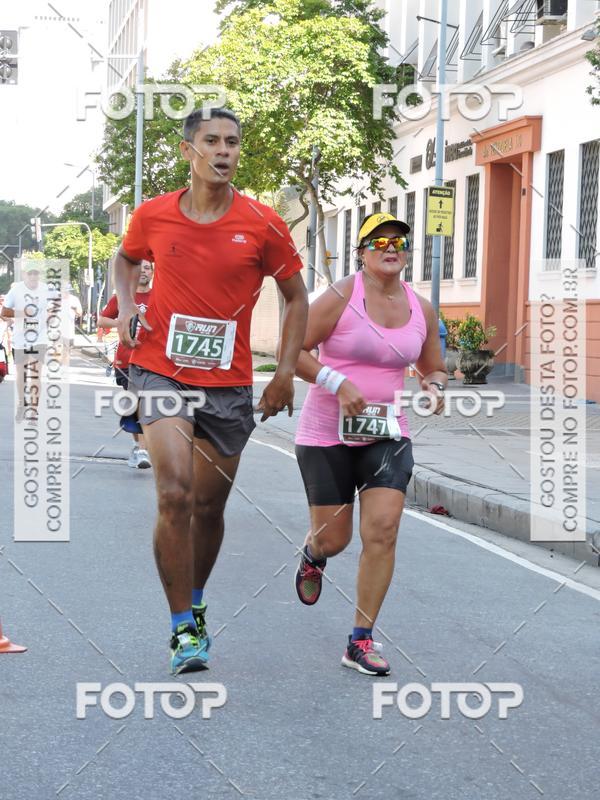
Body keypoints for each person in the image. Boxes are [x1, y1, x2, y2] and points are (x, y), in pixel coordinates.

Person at [113, 107, 308, 674]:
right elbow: (124, 261)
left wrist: (285, 371)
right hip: (161, 370)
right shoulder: (153, 216)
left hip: (227, 385)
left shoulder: (264, 222)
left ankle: (196, 604)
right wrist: (127, 307)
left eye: (233, 142)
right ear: (188, 151)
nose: (224, 151)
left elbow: (296, 297)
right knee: (173, 492)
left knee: (208, 505)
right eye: (212, 141)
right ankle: (181, 628)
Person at [293, 212, 447, 676]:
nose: (390, 246)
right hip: (326, 433)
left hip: (387, 432)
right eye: (378, 240)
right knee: (334, 538)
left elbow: (433, 365)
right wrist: (335, 381)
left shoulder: (421, 307)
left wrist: (434, 386)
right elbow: (294, 351)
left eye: (398, 239)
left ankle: (360, 639)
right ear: (362, 252)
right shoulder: (340, 296)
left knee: (382, 530)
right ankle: (313, 554)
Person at [98, 261, 154, 469]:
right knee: (135, 403)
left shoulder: (161, 297)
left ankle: (142, 450)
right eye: (139, 267)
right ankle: (138, 447)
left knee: (147, 403)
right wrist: (122, 322)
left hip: (153, 361)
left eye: (147, 268)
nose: (143, 271)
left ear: (152, 273)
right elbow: (102, 320)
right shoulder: (123, 297)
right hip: (126, 360)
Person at [1, 262, 52, 422]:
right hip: (20, 338)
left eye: (36, 273)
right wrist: (23, 313)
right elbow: (4, 311)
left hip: (40, 338)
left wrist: (49, 318)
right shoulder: (16, 290)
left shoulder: (46, 290)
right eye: (30, 273)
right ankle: (22, 404)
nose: (33, 276)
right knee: (22, 375)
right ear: (24, 275)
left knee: (35, 374)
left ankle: (34, 410)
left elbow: (54, 310)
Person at [60, 284, 82, 368]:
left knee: (67, 349)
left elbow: (79, 313)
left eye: (67, 290)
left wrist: (75, 309)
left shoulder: (74, 299)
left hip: (69, 329)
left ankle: (64, 366)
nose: (66, 292)